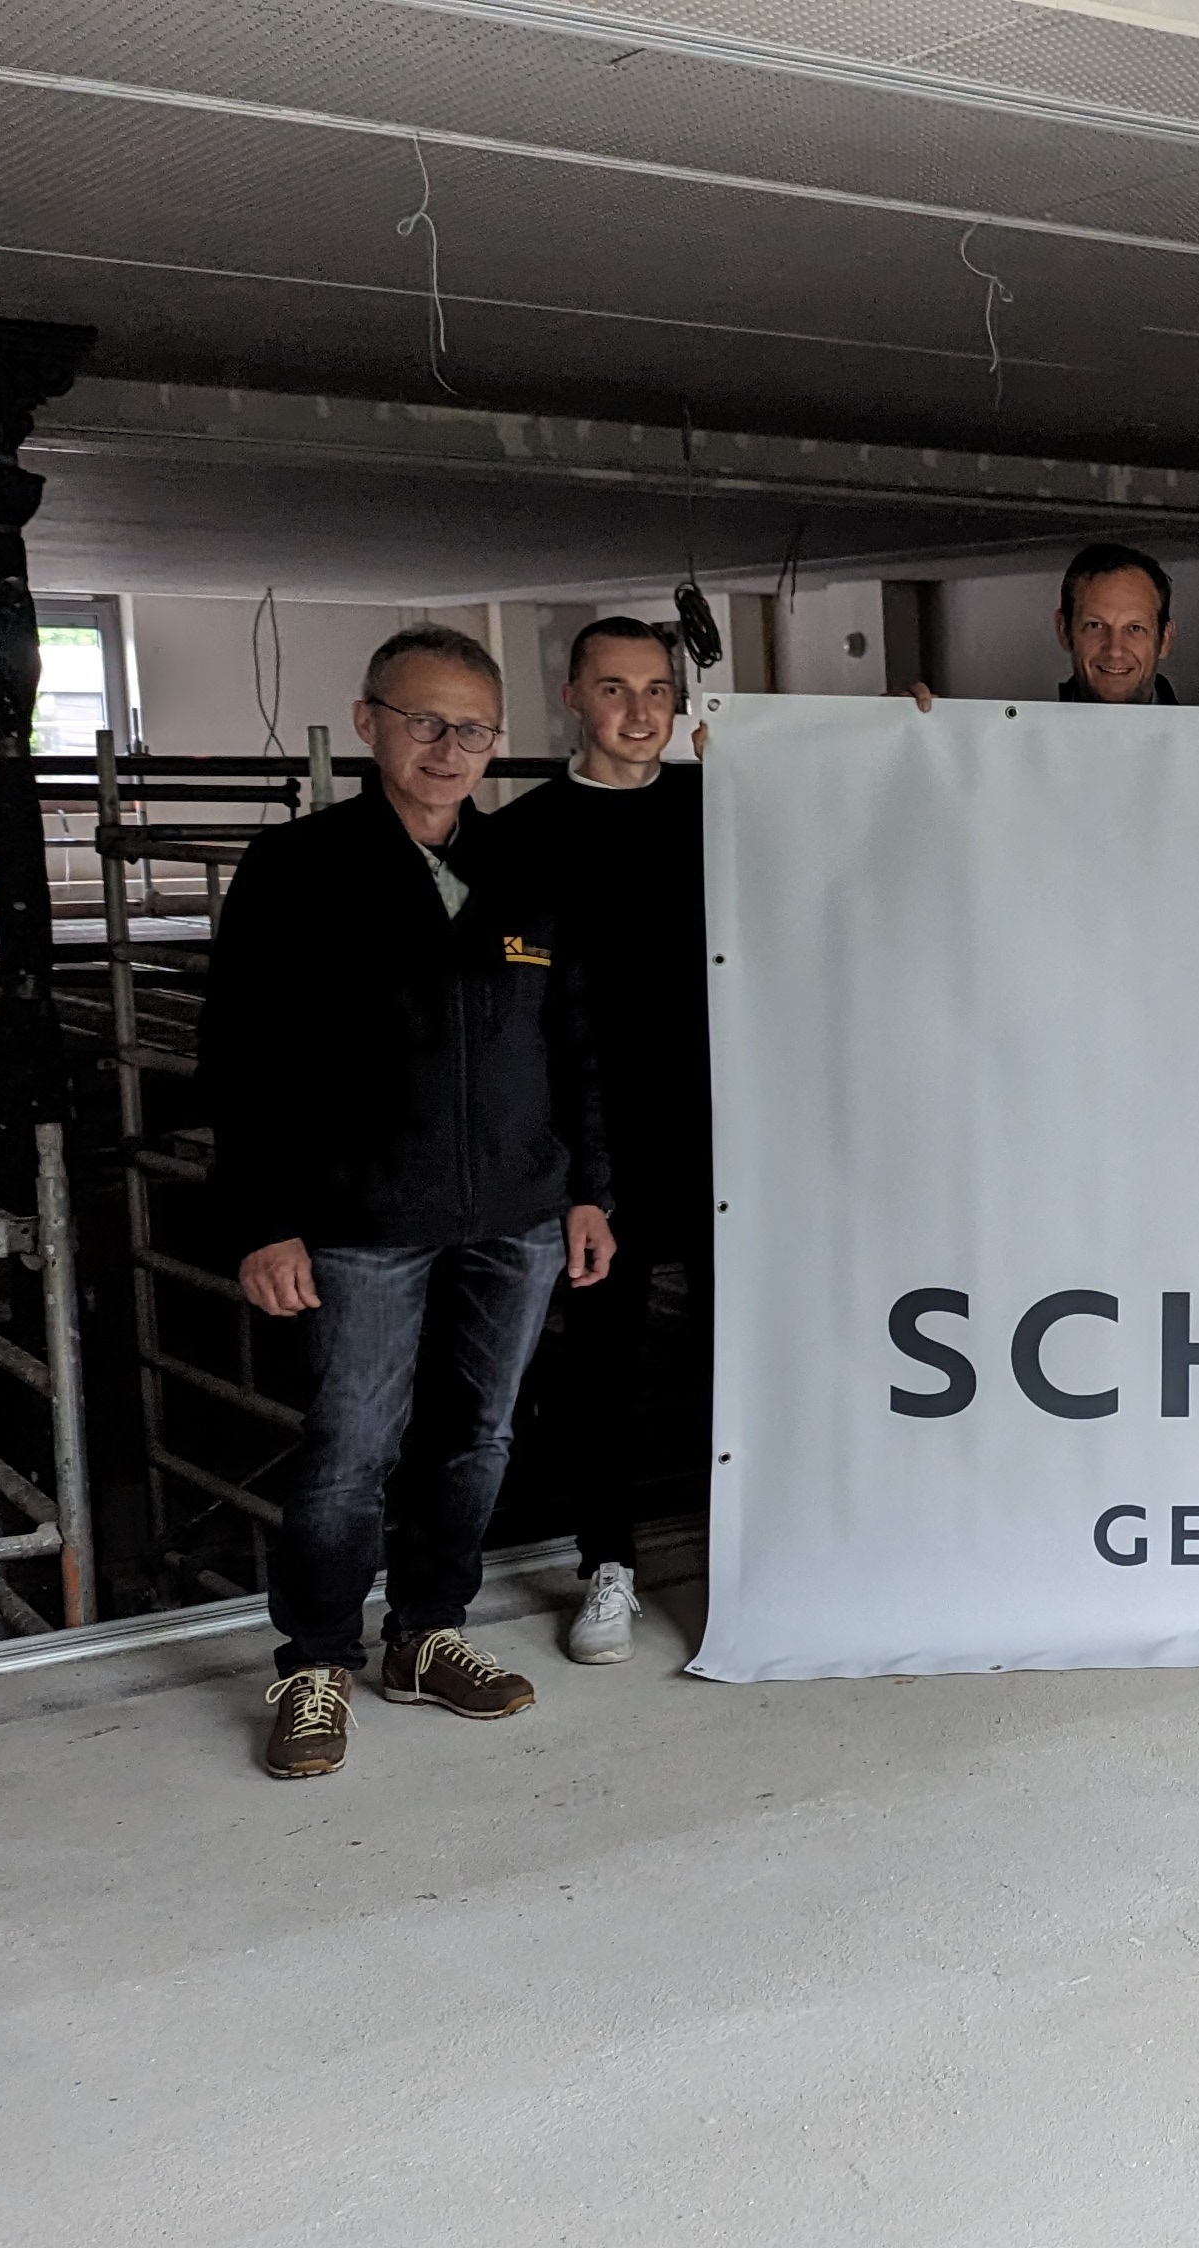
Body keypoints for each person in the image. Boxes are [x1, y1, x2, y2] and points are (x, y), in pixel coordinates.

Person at [203, 625, 615, 1780]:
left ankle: (427, 1634)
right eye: (424, 721)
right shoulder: (298, 870)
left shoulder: (526, 869)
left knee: (478, 1439)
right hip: (360, 1219)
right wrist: (262, 1221)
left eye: (472, 729)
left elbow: (575, 1046)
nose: (447, 748)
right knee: (349, 1450)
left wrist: (589, 1191)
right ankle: (316, 1664)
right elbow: (238, 1057)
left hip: (515, 1213)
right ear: (370, 721)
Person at [483, 618, 706, 1668]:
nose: (639, 711)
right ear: (572, 695)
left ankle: (741, 1546)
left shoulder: (716, 810)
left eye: (657, 689)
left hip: (719, 1135)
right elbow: (511, 1016)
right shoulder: (523, 835)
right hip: (594, 1146)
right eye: (614, 688)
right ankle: (607, 1561)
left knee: (734, 1352)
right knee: (604, 1363)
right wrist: (563, 1164)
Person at [1054, 541, 1179, 706]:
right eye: (1095, 626)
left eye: (1135, 628)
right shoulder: (1025, 724)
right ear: (1064, 630)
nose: (1115, 651)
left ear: (1165, 640)